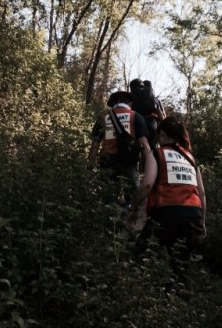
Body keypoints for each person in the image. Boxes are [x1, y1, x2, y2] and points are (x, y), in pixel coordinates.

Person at [127, 116, 206, 292]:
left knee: (140, 255)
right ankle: (181, 303)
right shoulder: (191, 158)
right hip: (194, 217)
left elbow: (147, 184)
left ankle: (133, 294)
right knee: (181, 267)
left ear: (161, 134)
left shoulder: (157, 153)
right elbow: (201, 193)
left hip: (166, 215)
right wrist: (203, 221)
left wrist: (133, 208)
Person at [87, 90, 151, 207]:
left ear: (113, 102)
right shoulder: (136, 116)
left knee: (107, 198)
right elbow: (144, 145)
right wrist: (148, 169)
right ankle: (126, 219)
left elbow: (95, 144)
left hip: (107, 161)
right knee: (132, 199)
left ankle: (109, 221)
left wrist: (90, 166)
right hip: (129, 162)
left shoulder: (103, 117)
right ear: (130, 103)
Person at [129, 79, 166, 148]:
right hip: (151, 123)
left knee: (138, 147)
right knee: (152, 148)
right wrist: (164, 125)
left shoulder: (130, 98)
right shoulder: (154, 98)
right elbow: (160, 112)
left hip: (136, 123)